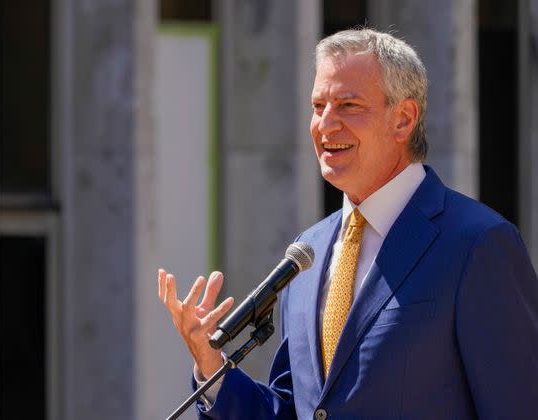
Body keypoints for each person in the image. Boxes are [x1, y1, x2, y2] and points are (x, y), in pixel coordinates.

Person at [158, 28, 538, 419]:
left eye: (347, 105)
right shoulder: (307, 254)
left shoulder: (478, 244)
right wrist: (210, 363)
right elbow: (298, 410)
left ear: (404, 119)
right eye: (318, 105)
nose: (326, 124)